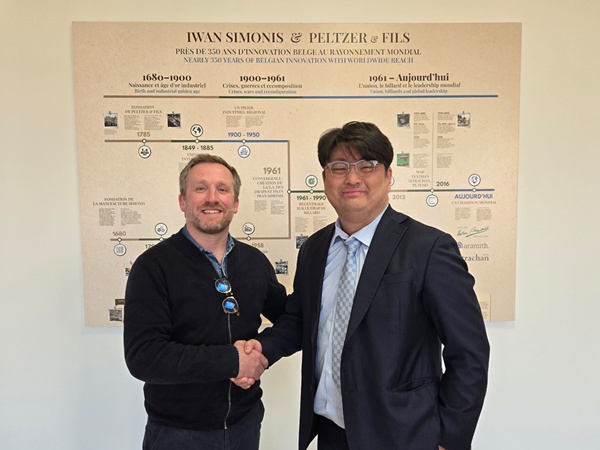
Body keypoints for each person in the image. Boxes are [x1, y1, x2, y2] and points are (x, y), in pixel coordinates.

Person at [237, 121, 490, 450]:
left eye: (367, 166)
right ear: (325, 179)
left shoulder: (428, 248)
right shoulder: (314, 248)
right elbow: (301, 319)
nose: (352, 178)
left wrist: (449, 440)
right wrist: (261, 350)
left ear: (388, 176)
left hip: (404, 435)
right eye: (339, 167)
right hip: (331, 431)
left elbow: (468, 352)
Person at [124, 153, 286, 450]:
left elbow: (291, 320)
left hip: (245, 426)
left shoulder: (255, 262)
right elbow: (144, 357)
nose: (212, 198)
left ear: (235, 203)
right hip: (177, 434)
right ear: (183, 201)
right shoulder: (153, 266)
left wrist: (261, 352)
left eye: (222, 189)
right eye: (200, 188)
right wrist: (232, 361)